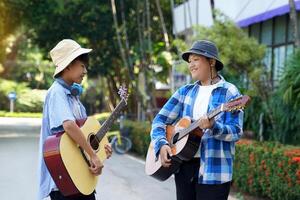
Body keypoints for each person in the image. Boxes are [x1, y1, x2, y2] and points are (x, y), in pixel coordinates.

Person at [150, 40, 244, 200]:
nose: (191, 65)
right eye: (190, 61)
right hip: (184, 168)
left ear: (212, 62)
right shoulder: (185, 91)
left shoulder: (230, 92)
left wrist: (214, 126)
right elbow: (159, 120)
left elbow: (236, 132)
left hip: (215, 171)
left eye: (196, 59)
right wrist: (162, 143)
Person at [37, 39, 112, 200]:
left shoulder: (73, 96)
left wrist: (101, 151)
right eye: (82, 66)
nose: (85, 71)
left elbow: (82, 135)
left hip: (79, 177)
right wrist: (92, 155)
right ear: (68, 65)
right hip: (64, 179)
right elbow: (69, 126)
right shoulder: (57, 92)